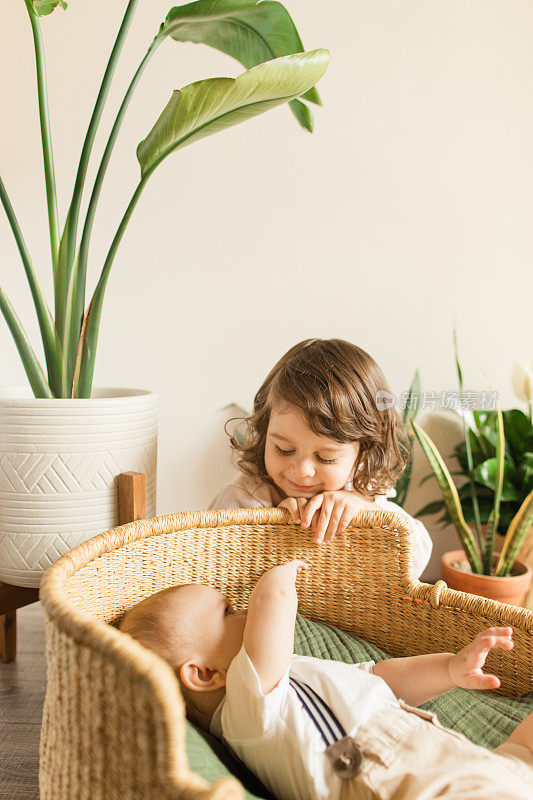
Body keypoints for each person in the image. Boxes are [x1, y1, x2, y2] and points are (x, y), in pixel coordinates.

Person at [119, 561, 533, 800]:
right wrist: (278, 570)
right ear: (206, 674)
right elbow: (274, 602)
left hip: (462, 760)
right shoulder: (245, 709)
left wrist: (449, 669)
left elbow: (379, 678)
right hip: (399, 783)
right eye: (228, 611)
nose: (245, 609)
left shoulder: (287, 676)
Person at [209, 338, 432, 577]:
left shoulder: (359, 488)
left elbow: (416, 558)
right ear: (265, 433)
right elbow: (212, 565)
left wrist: (366, 511)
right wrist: (273, 531)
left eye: (325, 458)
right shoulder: (245, 497)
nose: (303, 470)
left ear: (363, 452)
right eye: (283, 449)